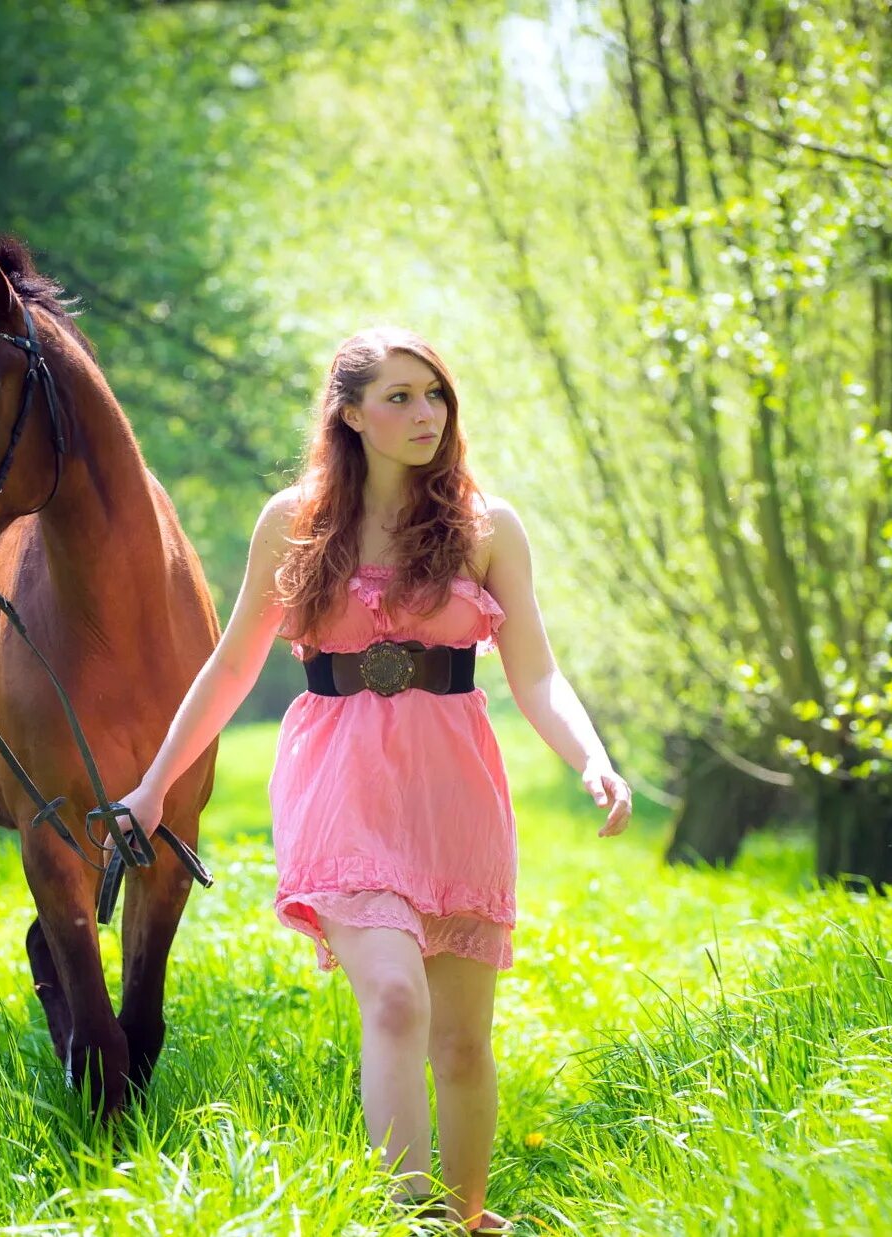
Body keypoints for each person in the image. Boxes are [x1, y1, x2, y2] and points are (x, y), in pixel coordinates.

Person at [116, 326, 633, 1233]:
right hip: (339, 780)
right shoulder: (294, 521)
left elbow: (536, 672)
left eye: (435, 394)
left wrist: (589, 755)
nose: (425, 412)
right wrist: (155, 784)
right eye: (399, 396)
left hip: (454, 789)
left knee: (464, 1043)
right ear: (350, 415)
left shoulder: (485, 526)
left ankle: (467, 1217)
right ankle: (409, 1216)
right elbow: (231, 666)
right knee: (395, 994)